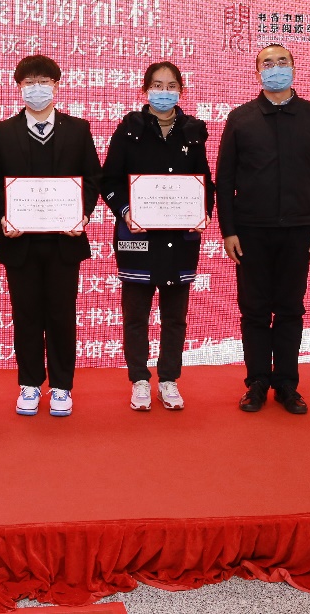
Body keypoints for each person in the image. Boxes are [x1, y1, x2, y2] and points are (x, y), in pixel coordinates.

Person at [216, 43, 310, 415]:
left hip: (299, 230)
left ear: (294, 68)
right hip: (250, 231)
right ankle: (256, 383)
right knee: (254, 311)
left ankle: (286, 384)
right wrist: (228, 230)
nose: (275, 68)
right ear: (257, 73)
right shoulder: (241, 118)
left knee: (289, 310)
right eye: (267, 63)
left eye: (282, 61)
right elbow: (224, 179)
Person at [0, 54, 100, 417]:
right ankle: (30, 384)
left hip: (65, 241)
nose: (37, 89)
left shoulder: (78, 129)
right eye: (29, 82)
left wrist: (82, 215)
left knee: (62, 315)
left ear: (56, 86)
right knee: (27, 315)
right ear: (19, 88)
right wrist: (4, 217)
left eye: (44, 82)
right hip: (20, 241)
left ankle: (62, 386)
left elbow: (92, 178)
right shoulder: (2, 131)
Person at [100, 61, 213, 413]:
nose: (164, 92)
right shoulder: (129, 129)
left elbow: (205, 181)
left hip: (180, 239)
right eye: (158, 85)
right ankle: (138, 379)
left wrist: (204, 213)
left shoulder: (193, 131)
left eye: (171, 85)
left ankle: (168, 379)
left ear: (181, 90)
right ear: (145, 89)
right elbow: (109, 180)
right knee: (136, 315)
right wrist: (125, 211)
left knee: (175, 317)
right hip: (137, 236)